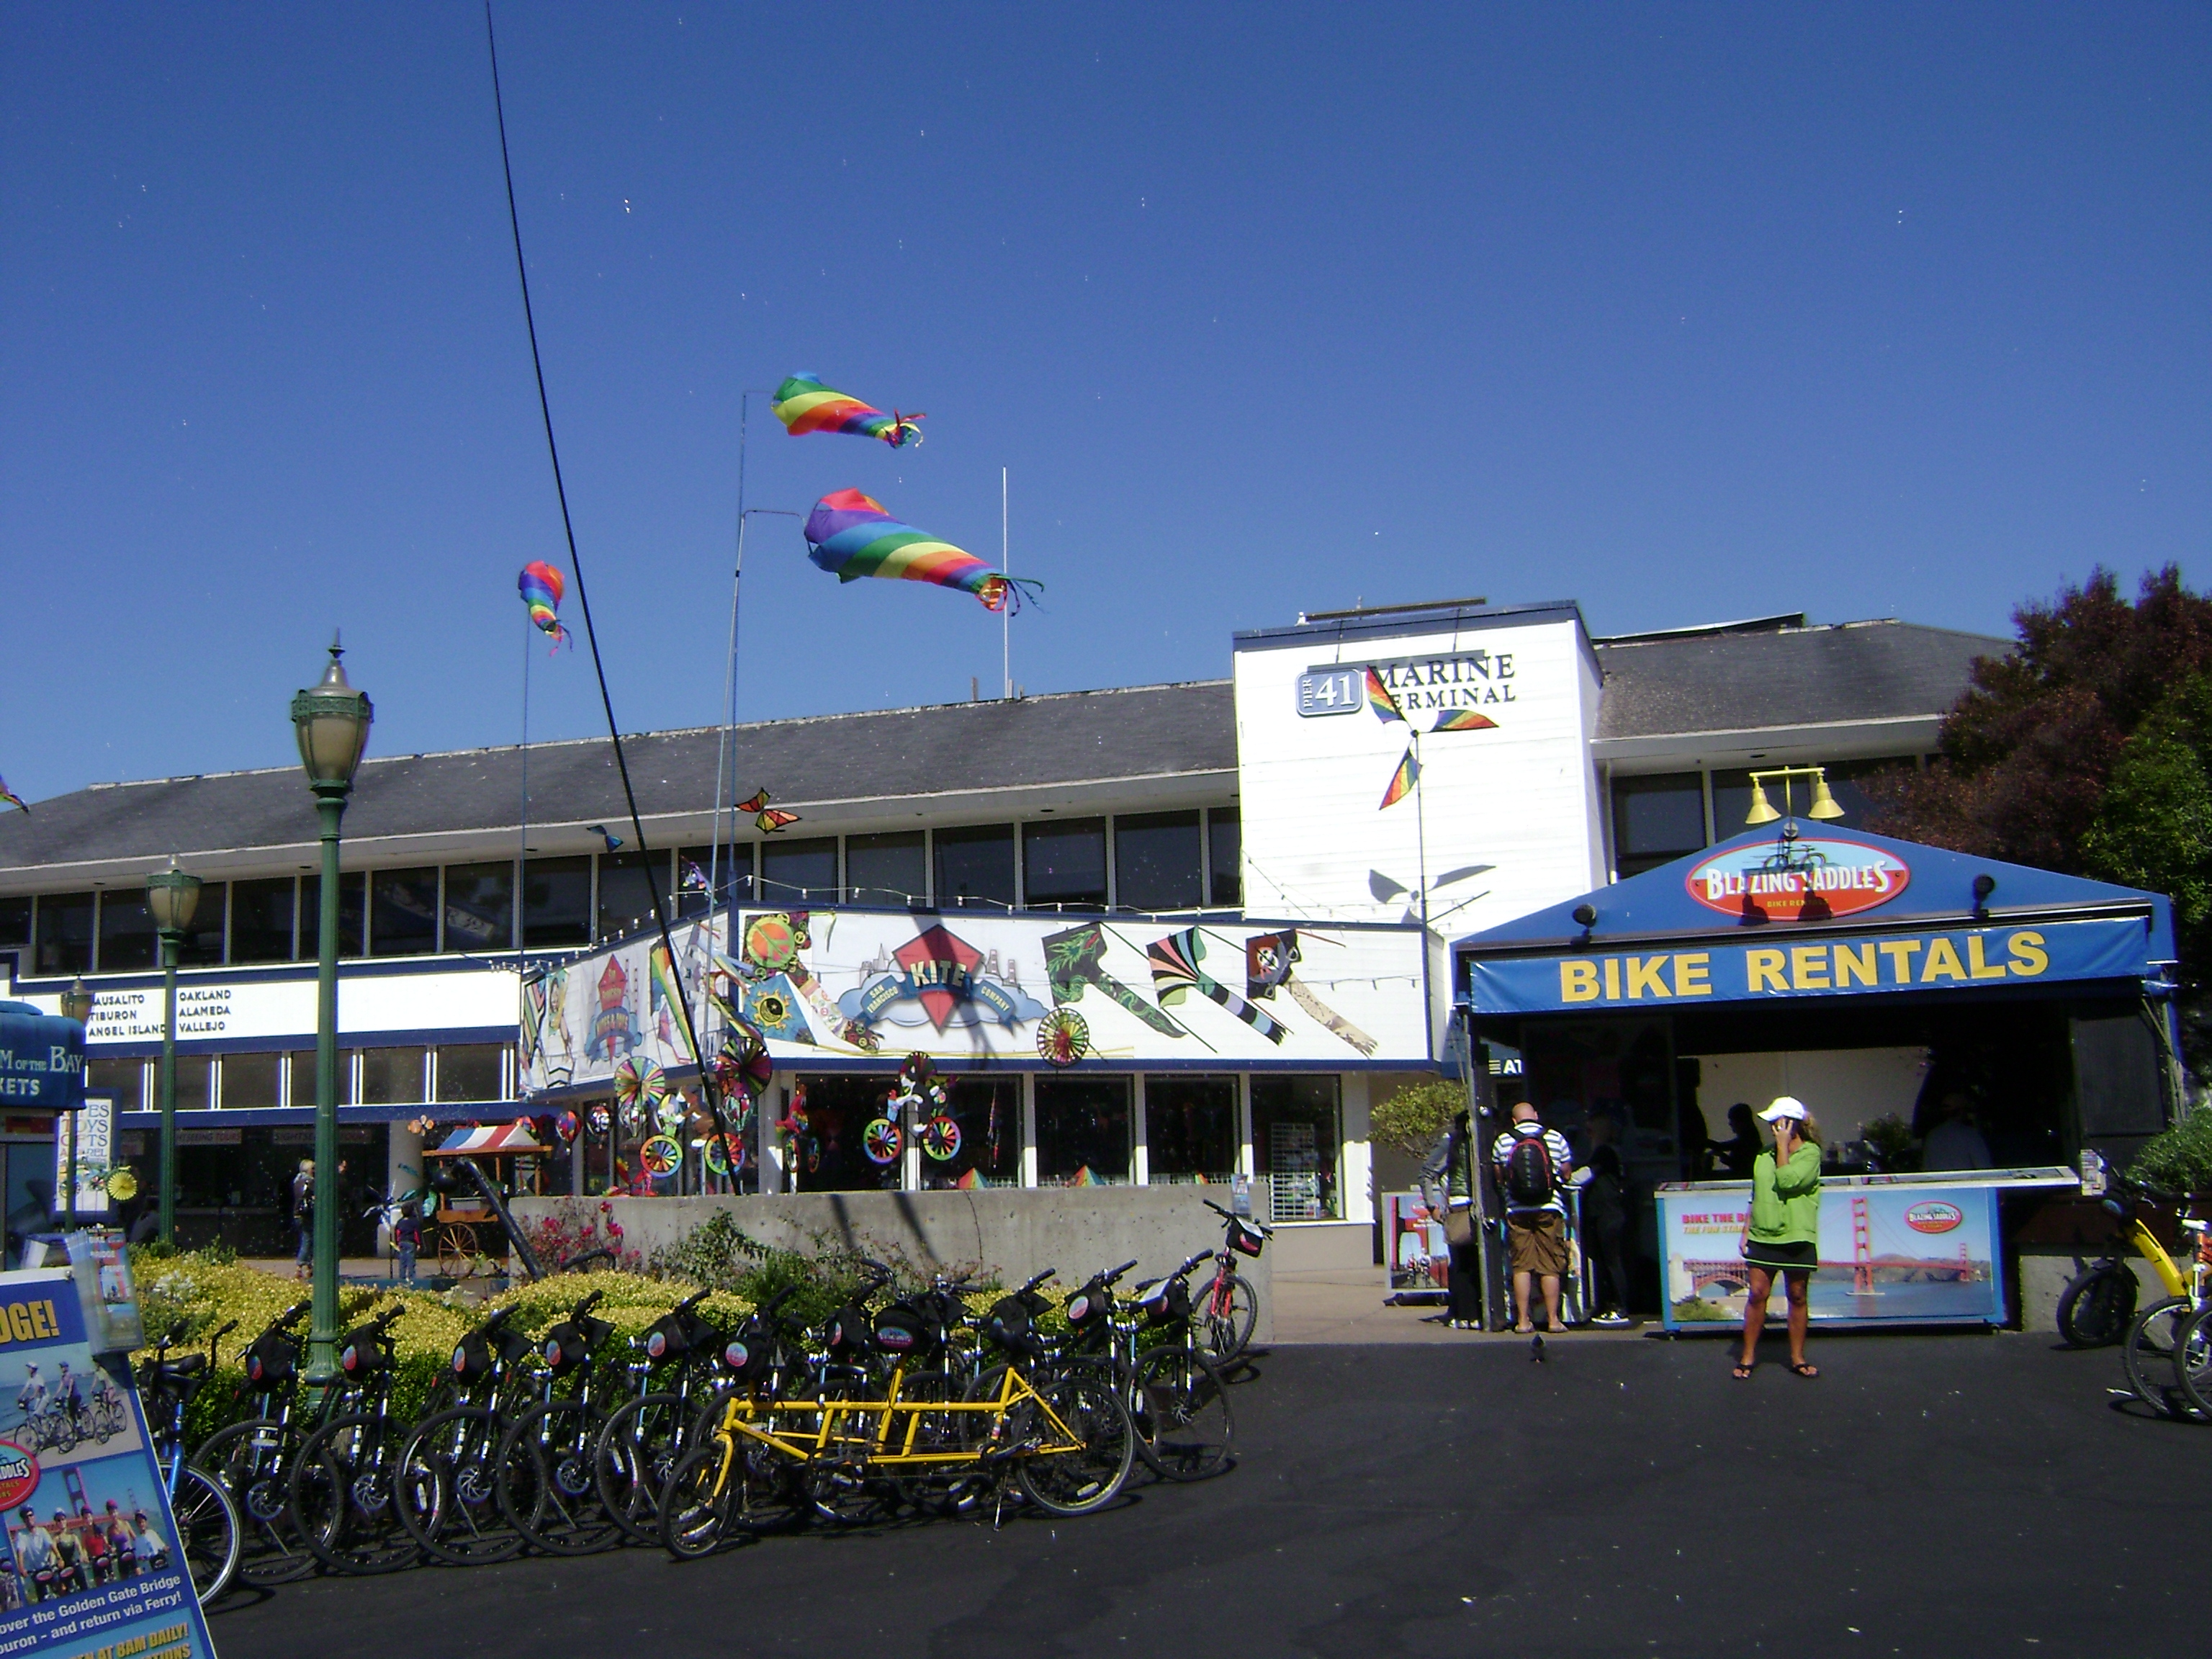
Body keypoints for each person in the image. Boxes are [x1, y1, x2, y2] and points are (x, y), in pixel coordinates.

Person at [1736, 1096, 1823, 1380]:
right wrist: (1746, 1228)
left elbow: (1787, 1180)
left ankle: (1797, 1357)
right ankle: (1748, 1356)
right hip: (1764, 1233)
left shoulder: (1811, 1154)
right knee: (1757, 1294)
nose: (1772, 1127)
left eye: (1778, 1122)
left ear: (1792, 1123)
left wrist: (1784, 1146)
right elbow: (1756, 1193)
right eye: (1772, 1122)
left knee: (1797, 1296)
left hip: (1796, 1235)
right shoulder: (1763, 1156)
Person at [1491, 1102, 1574, 1334]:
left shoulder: (1503, 1140)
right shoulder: (1555, 1137)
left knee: (1521, 1266)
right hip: (1549, 1208)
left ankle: (1523, 1321)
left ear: (1515, 1121)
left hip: (1517, 1210)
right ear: (1536, 1116)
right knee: (1550, 1265)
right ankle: (1553, 1320)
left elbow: (1500, 1177)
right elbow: (1566, 1172)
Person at [1418, 1107, 1483, 1329]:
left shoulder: (1459, 1141)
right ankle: (1466, 1312)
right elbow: (1427, 1172)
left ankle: (1466, 1313)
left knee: (1465, 1263)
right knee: (1466, 1262)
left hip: (1461, 1207)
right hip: (1463, 1208)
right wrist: (1432, 1205)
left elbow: (1426, 1172)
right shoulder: (1454, 1142)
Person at [1580, 1114, 1635, 1326]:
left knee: (1612, 1262)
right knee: (1610, 1261)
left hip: (1607, 1214)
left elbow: (1585, 1175)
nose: (1588, 1136)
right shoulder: (1614, 1151)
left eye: (1591, 1131)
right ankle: (1613, 1304)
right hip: (1613, 1212)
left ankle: (1620, 1307)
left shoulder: (1603, 1152)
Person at [1920, 1092, 1994, 1172]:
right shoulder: (1971, 1135)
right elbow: (1985, 1170)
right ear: (1962, 1111)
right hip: (1967, 1183)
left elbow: (1926, 1171)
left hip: (1939, 1184)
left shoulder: (1932, 1137)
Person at [1712, 1102, 1761, 1179]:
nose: (1730, 1123)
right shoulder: (1750, 1138)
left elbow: (1742, 1167)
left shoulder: (1748, 1140)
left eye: (1733, 1120)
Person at [291, 1159, 315, 1280]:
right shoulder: (309, 1182)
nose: (314, 1171)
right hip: (307, 1215)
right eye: (313, 1168)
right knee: (307, 1239)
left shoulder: (297, 1181)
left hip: (298, 1214)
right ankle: (300, 1267)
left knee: (307, 1238)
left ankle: (310, 1267)